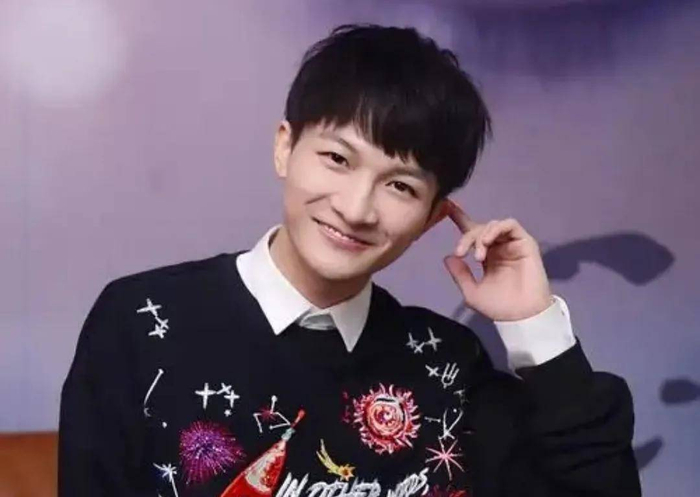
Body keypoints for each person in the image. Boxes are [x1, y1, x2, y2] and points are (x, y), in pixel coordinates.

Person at [59, 24, 641, 497]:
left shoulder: (445, 365)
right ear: (285, 147)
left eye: (401, 186)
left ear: (432, 217)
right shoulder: (143, 321)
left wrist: (536, 327)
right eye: (338, 159)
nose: (357, 208)